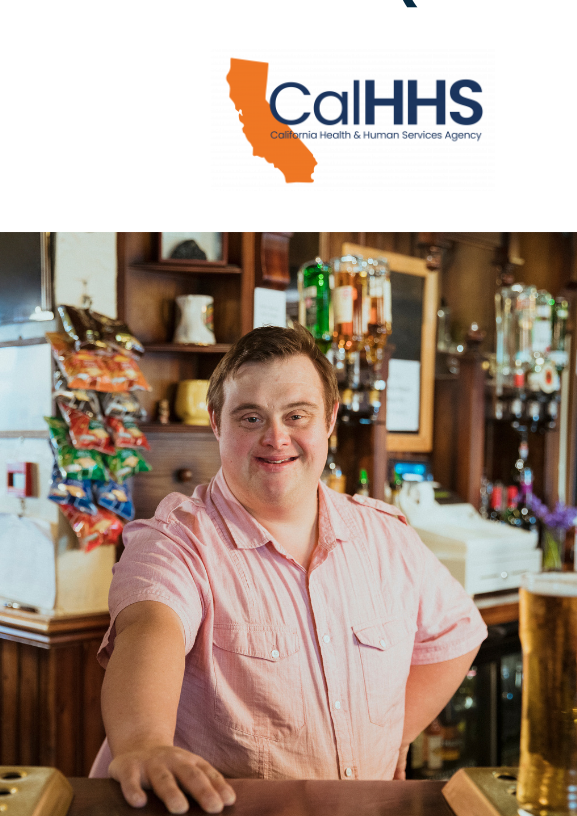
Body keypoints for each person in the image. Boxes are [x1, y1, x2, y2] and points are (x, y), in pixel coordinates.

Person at [91, 326, 483, 812]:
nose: (276, 437)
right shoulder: (175, 541)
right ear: (217, 422)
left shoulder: (387, 536)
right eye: (251, 417)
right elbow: (149, 627)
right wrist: (144, 744)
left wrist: (390, 735)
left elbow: (458, 633)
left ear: (329, 420)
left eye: (297, 415)